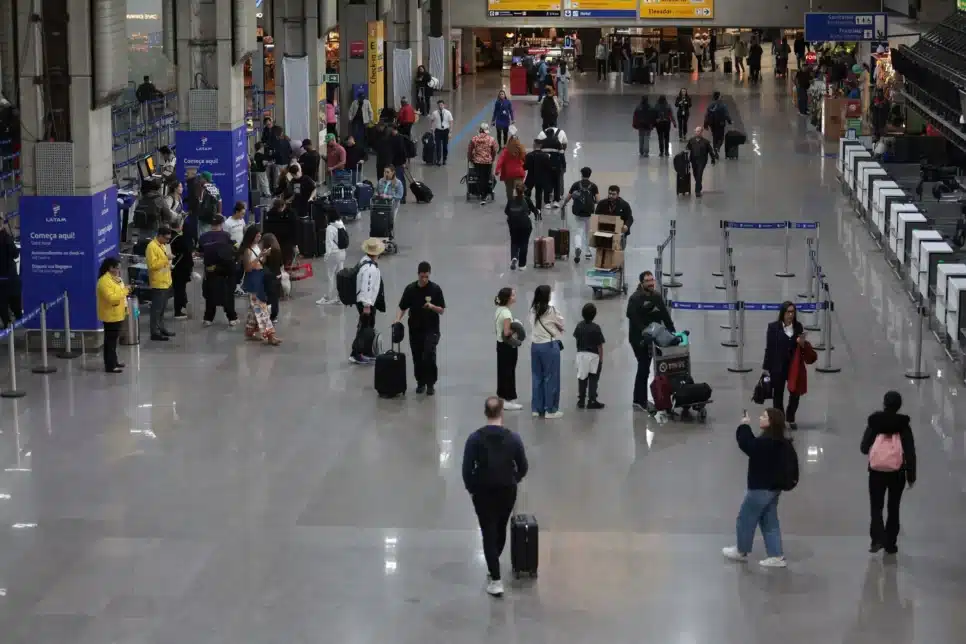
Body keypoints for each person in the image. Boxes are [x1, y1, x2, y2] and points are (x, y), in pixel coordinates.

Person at [461, 396, 529, 598]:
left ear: (485, 412)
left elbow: (466, 470)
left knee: (488, 531)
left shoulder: (474, 439)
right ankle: (494, 566)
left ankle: (496, 577)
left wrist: (472, 488)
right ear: (502, 412)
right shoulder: (513, 439)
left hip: (483, 491)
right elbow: (523, 467)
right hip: (507, 490)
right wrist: (514, 479)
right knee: (500, 527)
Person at [721, 408, 790, 568]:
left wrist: (744, 426)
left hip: (760, 488)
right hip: (774, 488)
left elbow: (748, 445)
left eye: (764, 416)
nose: (760, 418)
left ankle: (741, 550)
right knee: (769, 521)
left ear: (771, 422)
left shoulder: (766, 442)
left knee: (745, 519)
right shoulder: (780, 441)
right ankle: (776, 555)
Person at [860, 391, 918, 555]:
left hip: (876, 471)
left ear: (884, 403)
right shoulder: (904, 425)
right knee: (894, 507)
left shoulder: (875, 422)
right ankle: (891, 543)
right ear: (899, 405)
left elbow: (864, 448)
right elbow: (910, 452)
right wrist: (911, 476)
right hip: (897, 472)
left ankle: (877, 539)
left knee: (876, 506)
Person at [395, 261, 446, 395]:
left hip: (431, 329)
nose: (424, 279)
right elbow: (402, 307)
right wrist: (397, 320)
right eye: (422, 276)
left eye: (426, 277)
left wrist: (432, 307)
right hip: (415, 328)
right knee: (417, 356)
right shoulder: (410, 289)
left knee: (429, 354)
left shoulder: (435, 289)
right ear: (418, 274)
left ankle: (430, 383)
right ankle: (420, 382)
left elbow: (442, 310)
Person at [626, 271, 674, 411]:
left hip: (655, 337)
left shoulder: (657, 297)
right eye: (647, 281)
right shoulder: (635, 298)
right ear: (641, 283)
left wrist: (672, 332)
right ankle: (639, 400)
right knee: (644, 367)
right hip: (639, 339)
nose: (651, 282)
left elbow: (665, 316)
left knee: (655, 367)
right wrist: (644, 331)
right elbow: (631, 316)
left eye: (652, 280)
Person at [762, 301, 805, 430]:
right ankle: (779, 420)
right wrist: (766, 367)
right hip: (778, 366)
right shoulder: (773, 327)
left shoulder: (798, 327)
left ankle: (790, 416)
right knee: (778, 395)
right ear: (783, 313)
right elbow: (769, 348)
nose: (790, 315)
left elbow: (801, 349)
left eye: (792, 312)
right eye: (788, 312)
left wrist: (802, 343)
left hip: (793, 366)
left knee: (795, 393)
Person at [239, 226, 281, 346]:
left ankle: (250, 330)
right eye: (257, 235)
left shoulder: (256, 247)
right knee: (261, 309)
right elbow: (247, 268)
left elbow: (261, 262)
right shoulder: (247, 251)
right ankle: (270, 335)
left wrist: (264, 255)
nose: (259, 237)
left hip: (259, 277)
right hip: (253, 279)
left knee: (255, 308)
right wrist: (259, 256)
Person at [529, 284, 564, 419]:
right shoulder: (551, 311)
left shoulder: (532, 310)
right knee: (551, 377)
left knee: (537, 377)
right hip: (549, 346)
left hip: (535, 346)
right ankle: (550, 409)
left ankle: (537, 408)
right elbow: (561, 323)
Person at [350, 238, 386, 364]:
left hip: (366, 301)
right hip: (366, 302)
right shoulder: (370, 268)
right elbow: (367, 286)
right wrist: (367, 305)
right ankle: (356, 353)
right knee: (365, 328)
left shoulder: (364, 262)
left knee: (367, 327)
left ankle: (366, 351)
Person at [198, 215, 238, 327]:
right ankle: (232, 318)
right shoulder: (226, 236)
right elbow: (235, 249)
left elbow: (199, 252)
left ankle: (208, 319)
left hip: (210, 271)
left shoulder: (203, 237)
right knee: (228, 295)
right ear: (221, 224)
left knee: (210, 294)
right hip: (225, 272)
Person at [96, 257, 130, 373]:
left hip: (118, 313)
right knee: (110, 341)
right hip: (110, 315)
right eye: (117, 268)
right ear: (110, 268)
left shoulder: (115, 279)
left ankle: (114, 361)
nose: (119, 271)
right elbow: (111, 298)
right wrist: (125, 291)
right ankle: (110, 365)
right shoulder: (104, 281)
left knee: (113, 340)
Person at [561, 166, 599, 263]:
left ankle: (578, 247)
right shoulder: (593, 186)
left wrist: (564, 204)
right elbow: (598, 200)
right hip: (589, 212)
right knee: (588, 232)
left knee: (579, 231)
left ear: (581, 174)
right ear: (590, 174)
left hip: (578, 212)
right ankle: (588, 253)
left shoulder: (576, 184)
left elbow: (568, 197)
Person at [494, 287, 523, 411]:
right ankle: (508, 399)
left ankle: (502, 396)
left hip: (500, 345)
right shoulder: (506, 313)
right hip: (507, 346)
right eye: (513, 295)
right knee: (509, 372)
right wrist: (517, 326)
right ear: (508, 298)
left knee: (502, 371)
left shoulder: (499, 310)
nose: (514, 297)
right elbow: (506, 332)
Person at [574, 303, 605, 410]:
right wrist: (601, 359)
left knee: (582, 378)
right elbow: (600, 345)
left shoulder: (579, 326)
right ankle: (592, 400)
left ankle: (581, 400)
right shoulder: (596, 328)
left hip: (581, 355)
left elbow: (577, 339)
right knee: (593, 379)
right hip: (593, 356)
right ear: (594, 315)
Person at [146, 227, 175, 342]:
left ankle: (161, 328)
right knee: (156, 310)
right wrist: (166, 259)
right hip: (158, 283)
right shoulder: (151, 247)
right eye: (166, 239)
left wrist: (168, 264)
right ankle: (155, 332)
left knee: (162, 309)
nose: (167, 241)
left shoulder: (162, 245)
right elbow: (152, 265)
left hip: (166, 281)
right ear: (160, 236)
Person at [317, 209, 348, 305]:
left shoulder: (330, 228)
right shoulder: (341, 223)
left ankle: (327, 297)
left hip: (333, 254)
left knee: (330, 276)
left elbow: (329, 244)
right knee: (340, 275)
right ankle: (341, 297)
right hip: (342, 253)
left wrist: (326, 257)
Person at [506, 182, 538, 271]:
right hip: (525, 225)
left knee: (514, 242)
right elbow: (534, 210)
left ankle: (514, 257)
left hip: (513, 225)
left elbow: (507, 212)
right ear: (524, 190)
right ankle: (522, 265)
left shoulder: (511, 200)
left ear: (515, 190)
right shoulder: (527, 199)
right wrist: (535, 214)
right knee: (524, 243)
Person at [535, 124, 568, 207]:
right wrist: (564, 166)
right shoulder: (557, 143)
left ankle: (547, 202)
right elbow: (561, 155)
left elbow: (539, 154)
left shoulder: (543, 143)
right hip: (556, 166)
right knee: (556, 183)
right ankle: (556, 201)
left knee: (546, 183)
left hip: (545, 167)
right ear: (553, 134)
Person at [169, 220, 195, 320]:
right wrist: (191, 269)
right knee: (180, 289)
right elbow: (187, 254)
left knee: (177, 289)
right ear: (179, 226)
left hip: (170, 267)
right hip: (180, 268)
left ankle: (183, 305)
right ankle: (178, 310)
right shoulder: (181, 239)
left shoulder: (168, 236)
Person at [468, 123, 498, 204]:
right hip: (488, 162)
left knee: (479, 177)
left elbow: (470, 150)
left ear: (480, 130)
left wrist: (471, 159)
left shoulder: (474, 139)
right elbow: (494, 150)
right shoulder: (491, 139)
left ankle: (481, 193)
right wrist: (492, 158)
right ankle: (486, 193)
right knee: (487, 177)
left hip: (477, 162)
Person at [0, 221, 21, 327]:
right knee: (14, 301)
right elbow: (15, 254)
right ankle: (19, 321)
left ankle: (6, 322)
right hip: (9, 276)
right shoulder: (6, 237)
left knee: (2, 302)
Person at [495, 131, 526, 202]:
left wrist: (497, 170)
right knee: (520, 189)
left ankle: (511, 202)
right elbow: (525, 159)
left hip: (508, 173)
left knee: (509, 189)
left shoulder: (506, 150)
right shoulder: (521, 149)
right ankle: (520, 202)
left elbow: (500, 161)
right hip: (519, 172)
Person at [685, 127, 716, 197]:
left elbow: (710, 151)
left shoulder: (706, 142)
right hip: (693, 160)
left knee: (699, 174)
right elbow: (687, 148)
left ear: (701, 132)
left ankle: (697, 191)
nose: (697, 133)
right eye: (696, 131)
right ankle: (699, 185)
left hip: (702, 161)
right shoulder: (691, 140)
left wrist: (713, 159)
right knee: (695, 174)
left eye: (698, 131)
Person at [261, 233, 283, 323]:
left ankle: (267, 315)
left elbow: (263, 263)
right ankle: (274, 316)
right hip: (278, 276)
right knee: (275, 298)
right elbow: (281, 264)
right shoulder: (278, 250)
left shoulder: (267, 252)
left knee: (268, 297)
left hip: (269, 277)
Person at [703, 91, 732, 156]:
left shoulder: (710, 105)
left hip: (712, 124)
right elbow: (726, 114)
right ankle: (718, 147)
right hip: (721, 124)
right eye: (720, 96)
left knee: (714, 137)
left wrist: (705, 124)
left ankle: (715, 151)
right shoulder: (723, 105)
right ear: (719, 97)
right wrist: (729, 121)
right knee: (721, 137)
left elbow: (707, 115)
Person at [427, 99, 453, 166]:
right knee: (438, 146)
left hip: (445, 131)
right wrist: (432, 127)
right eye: (439, 105)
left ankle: (444, 159)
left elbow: (451, 122)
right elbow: (432, 120)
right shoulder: (434, 113)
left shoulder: (448, 113)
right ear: (437, 106)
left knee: (445, 146)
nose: (440, 106)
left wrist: (450, 132)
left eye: (441, 105)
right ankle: (438, 160)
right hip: (438, 131)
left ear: (444, 105)